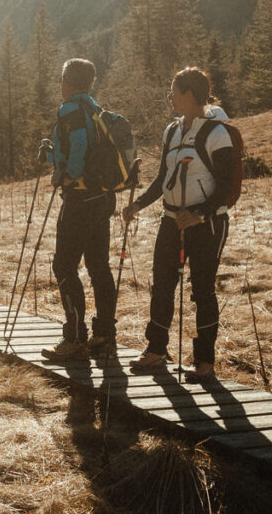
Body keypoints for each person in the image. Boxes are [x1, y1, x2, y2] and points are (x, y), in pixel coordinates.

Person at [125, 66, 233, 381]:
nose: (169, 97)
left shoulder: (217, 133)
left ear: (188, 94)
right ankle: (156, 350)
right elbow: (163, 178)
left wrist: (200, 213)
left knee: (202, 291)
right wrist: (138, 205)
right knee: (161, 285)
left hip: (207, 224)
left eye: (173, 91)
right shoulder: (171, 131)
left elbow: (225, 185)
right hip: (170, 220)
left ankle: (204, 361)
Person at [42, 58, 118, 361]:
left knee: (63, 265)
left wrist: (69, 174)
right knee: (99, 266)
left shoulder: (71, 108)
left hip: (79, 199)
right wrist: (53, 158)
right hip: (102, 198)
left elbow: (78, 145)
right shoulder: (96, 110)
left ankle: (74, 338)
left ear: (65, 81)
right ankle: (104, 336)